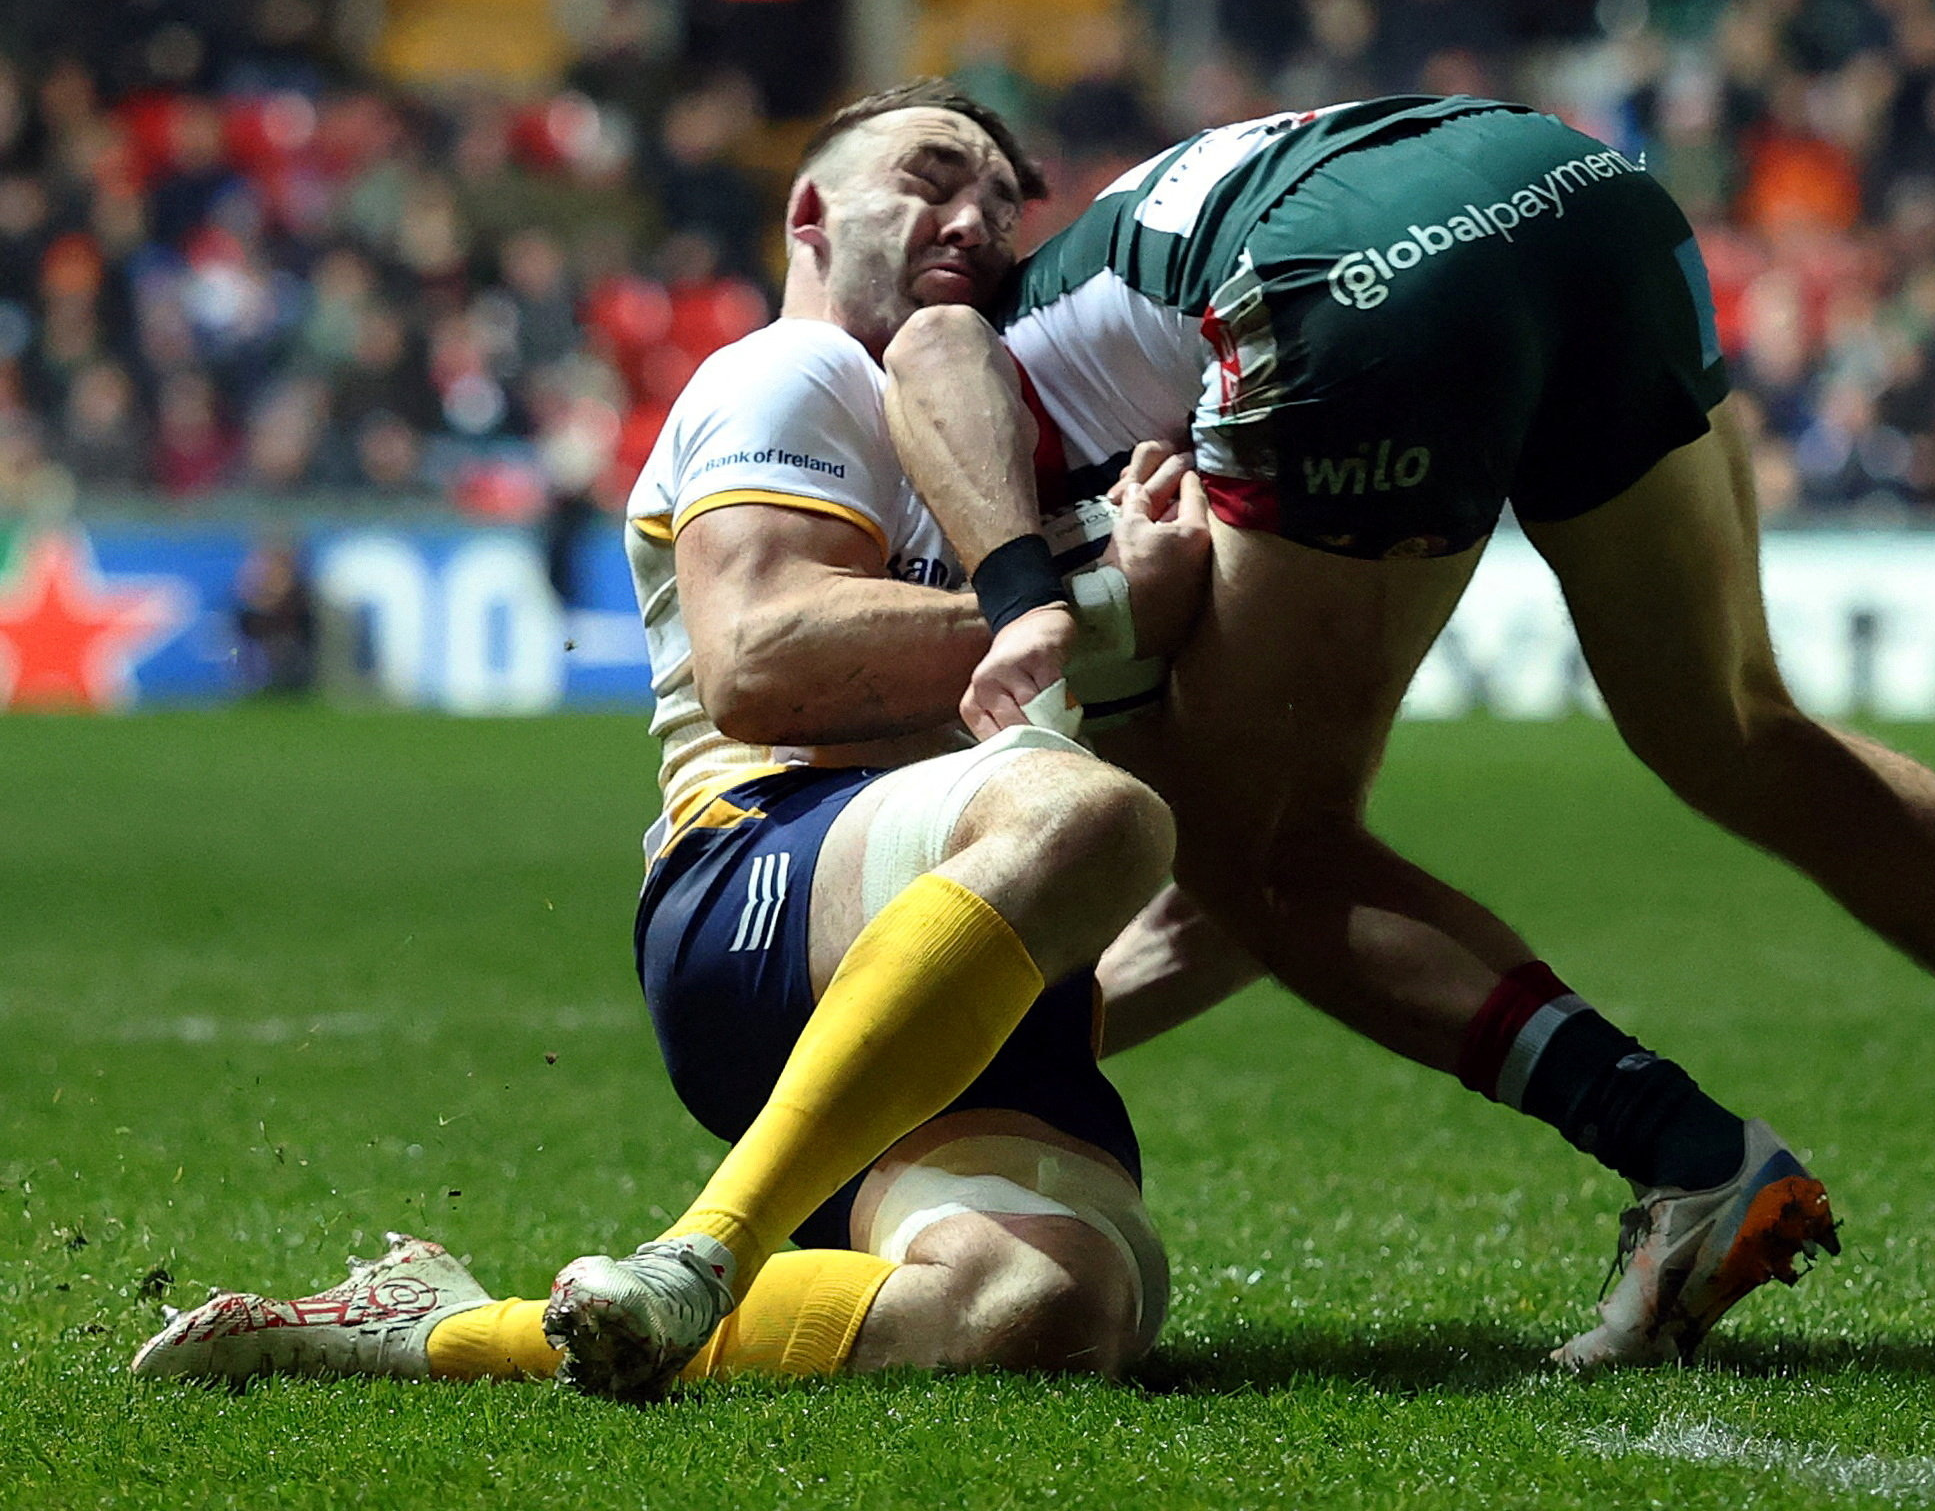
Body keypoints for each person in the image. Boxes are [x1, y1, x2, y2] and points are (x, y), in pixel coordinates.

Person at [878, 95, 1935, 1368]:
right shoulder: (1115, 255)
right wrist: (996, 1052)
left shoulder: (940, 338)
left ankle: (1689, 1162)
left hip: (1359, 279)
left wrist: (1022, 601)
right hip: (1574, 190)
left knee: (1274, 860)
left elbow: (937, 349)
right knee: (1735, 726)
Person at [133, 82, 1205, 1401]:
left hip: (950, 945)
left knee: (1050, 1313)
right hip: (760, 877)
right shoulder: (798, 369)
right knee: (1097, 820)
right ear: (812, 209)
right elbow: (757, 659)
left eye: (1003, 198)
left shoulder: (1010, 452)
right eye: (934, 173)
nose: (977, 214)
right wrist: (1102, 610)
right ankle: (712, 1242)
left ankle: (432, 1331)